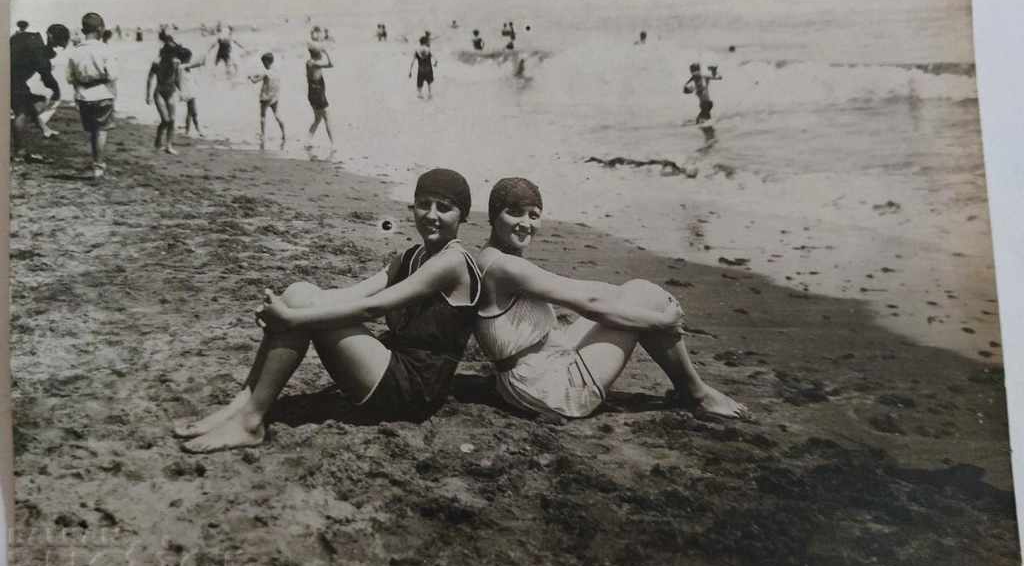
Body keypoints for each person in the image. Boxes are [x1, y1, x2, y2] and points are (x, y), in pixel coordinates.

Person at [173, 168, 482, 453]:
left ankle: (250, 422)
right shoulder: (412, 256)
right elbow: (351, 295)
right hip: (390, 367)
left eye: (444, 207)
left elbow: (371, 308)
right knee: (299, 293)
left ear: (463, 215)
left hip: (413, 391)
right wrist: (286, 303)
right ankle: (241, 406)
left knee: (298, 309)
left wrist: (292, 319)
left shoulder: (452, 262)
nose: (431, 215)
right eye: (424, 204)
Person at [474, 177, 749, 421]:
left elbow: (584, 292)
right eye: (514, 213)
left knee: (640, 292)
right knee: (647, 301)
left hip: (532, 370)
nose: (525, 224)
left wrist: (625, 297)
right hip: (546, 389)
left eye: (533, 215)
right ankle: (697, 393)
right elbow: (591, 305)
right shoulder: (505, 267)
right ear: (494, 215)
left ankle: (689, 388)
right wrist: (663, 322)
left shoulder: (492, 258)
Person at [65, 12, 118, 179]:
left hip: (83, 96)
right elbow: (113, 75)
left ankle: (96, 162)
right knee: (101, 131)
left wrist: (81, 84)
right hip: (103, 94)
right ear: (101, 29)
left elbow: (69, 78)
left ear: (83, 30)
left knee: (92, 131)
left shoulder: (75, 52)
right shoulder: (105, 49)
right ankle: (98, 165)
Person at [11, 22, 70, 161]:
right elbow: (47, 77)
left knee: (27, 102)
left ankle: (43, 129)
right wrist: (56, 91)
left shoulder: (27, 37)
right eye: (56, 44)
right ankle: (20, 152)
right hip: (12, 79)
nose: (55, 48)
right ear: (50, 36)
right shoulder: (38, 50)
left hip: (13, 78)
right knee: (23, 112)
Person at [146, 38, 183, 154]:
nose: (171, 56)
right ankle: (158, 139)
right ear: (164, 53)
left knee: (172, 120)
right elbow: (149, 78)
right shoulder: (157, 63)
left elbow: (177, 80)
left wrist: (182, 92)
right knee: (165, 120)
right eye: (169, 53)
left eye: (173, 53)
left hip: (171, 91)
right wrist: (148, 95)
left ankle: (169, 146)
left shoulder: (176, 63)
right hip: (160, 92)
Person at [249, 52, 286, 148]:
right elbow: (266, 77)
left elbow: (255, 81)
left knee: (263, 116)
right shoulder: (276, 71)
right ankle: (283, 134)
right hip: (274, 97)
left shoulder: (265, 73)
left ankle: (263, 135)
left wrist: (251, 77)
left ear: (266, 62)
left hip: (265, 97)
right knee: (277, 115)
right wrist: (257, 75)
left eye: (263, 62)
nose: (263, 64)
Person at [305, 44, 334, 146]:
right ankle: (333, 144)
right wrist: (326, 52)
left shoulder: (309, 62)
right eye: (320, 53)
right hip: (318, 94)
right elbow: (331, 64)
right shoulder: (315, 64)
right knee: (327, 118)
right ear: (317, 54)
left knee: (317, 119)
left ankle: (307, 141)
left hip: (312, 93)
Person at [178, 47, 205, 137]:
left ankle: (188, 130)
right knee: (194, 112)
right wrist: (202, 61)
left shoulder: (182, 67)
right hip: (188, 93)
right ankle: (197, 129)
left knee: (190, 112)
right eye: (190, 58)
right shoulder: (182, 67)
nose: (190, 59)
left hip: (188, 91)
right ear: (186, 58)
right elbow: (195, 64)